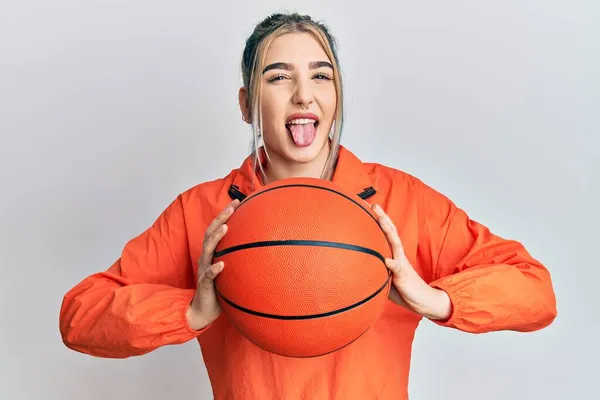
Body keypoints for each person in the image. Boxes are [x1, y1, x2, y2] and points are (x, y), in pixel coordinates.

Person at [59, 12, 557, 399]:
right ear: (245, 103)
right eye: (278, 78)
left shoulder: (401, 202)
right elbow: (80, 317)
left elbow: (535, 291)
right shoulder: (202, 213)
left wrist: (433, 298)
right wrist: (189, 312)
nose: (303, 95)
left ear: (337, 94)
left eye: (321, 76)